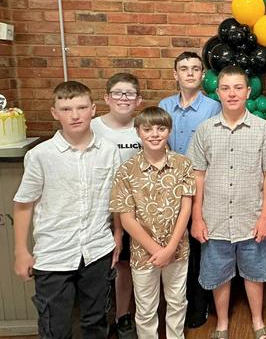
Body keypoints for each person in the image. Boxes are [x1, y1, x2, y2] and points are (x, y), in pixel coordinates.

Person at [13, 81, 121, 339]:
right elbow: (24, 204)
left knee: (96, 321)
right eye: (66, 109)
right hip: (54, 254)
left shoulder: (109, 151)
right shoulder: (40, 155)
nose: (75, 115)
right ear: (55, 113)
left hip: (97, 250)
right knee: (55, 327)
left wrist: (117, 236)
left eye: (81, 107)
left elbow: (116, 201)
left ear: (93, 110)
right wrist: (21, 251)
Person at [188, 66, 266, 339]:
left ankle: (257, 320)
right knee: (219, 274)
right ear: (217, 92)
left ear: (248, 91)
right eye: (226, 88)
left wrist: (265, 217)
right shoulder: (205, 130)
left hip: (251, 219)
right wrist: (197, 217)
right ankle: (222, 323)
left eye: (238, 87)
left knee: (254, 273)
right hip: (215, 220)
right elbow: (197, 175)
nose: (232, 93)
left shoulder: (263, 129)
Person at [109, 106, 195, 339]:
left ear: (169, 131)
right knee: (146, 307)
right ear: (138, 131)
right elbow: (127, 218)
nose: (154, 134)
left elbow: (186, 208)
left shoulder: (183, 164)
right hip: (143, 252)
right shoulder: (126, 170)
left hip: (177, 249)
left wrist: (170, 248)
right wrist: (157, 250)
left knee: (177, 301)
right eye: (147, 129)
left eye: (161, 129)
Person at [159, 51, 220, 328]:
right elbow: (160, 145)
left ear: (203, 75)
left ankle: (199, 306)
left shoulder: (213, 108)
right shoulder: (165, 106)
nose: (190, 73)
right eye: (184, 68)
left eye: (195, 68)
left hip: (202, 188)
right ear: (176, 74)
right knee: (175, 246)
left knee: (199, 249)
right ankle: (176, 307)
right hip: (171, 188)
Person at [92, 72, 143, 339]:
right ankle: (96, 318)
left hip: (132, 210)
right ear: (107, 98)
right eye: (118, 93)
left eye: (130, 94)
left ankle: (123, 316)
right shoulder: (92, 127)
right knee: (99, 265)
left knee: (125, 265)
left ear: (138, 100)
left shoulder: (143, 128)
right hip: (99, 209)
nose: (124, 98)